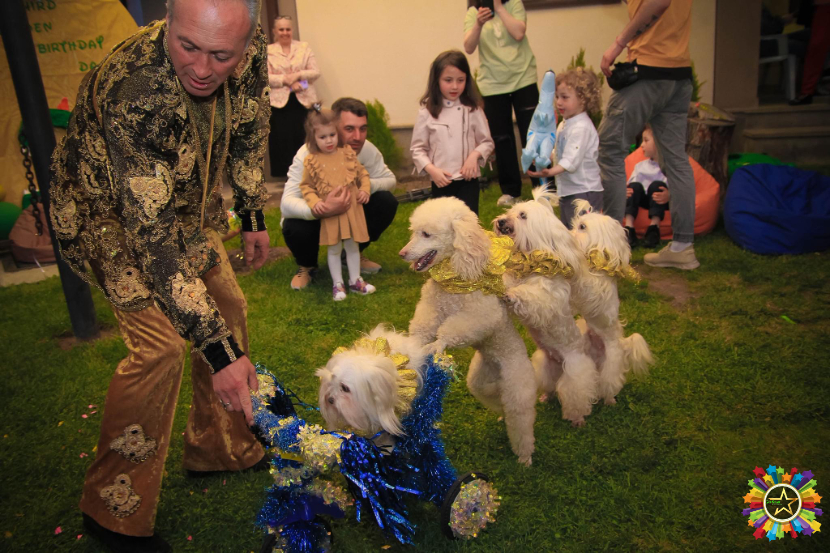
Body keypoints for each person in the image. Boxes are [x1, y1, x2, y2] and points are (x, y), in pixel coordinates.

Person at [48, 0, 271, 549]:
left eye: (220, 55)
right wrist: (217, 354)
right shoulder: (136, 91)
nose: (200, 67)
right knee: (163, 349)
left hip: (183, 203)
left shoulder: (253, 48)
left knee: (228, 309)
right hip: (107, 218)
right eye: (186, 45)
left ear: (245, 44)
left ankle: (218, 448)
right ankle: (111, 512)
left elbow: (250, 124)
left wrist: (252, 213)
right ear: (167, 22)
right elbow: (150, 240)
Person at [598, 0, 700, 270]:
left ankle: (609, 250)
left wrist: (618, 44)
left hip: (648, 72)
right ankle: (682, 248)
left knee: (609, 150)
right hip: (678, 75)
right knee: (676, 159)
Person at [280, 98, 397, 290]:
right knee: (294, 224)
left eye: (363, 128)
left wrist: (362, 189)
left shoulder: (364, 149)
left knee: (386, 201)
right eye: (349, 129)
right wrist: (320, 209)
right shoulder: (307, 156)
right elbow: (287, 202)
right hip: (316, 215)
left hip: (350, 212)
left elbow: (390, 179)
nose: (358, 137)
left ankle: (353, 254)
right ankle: (307, 265)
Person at [464, 0, 539, 207]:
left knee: (532, 134)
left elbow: (518, 33)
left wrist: (498, 8)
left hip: (524, 78)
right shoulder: (473, 12)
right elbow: (469, 47)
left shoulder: (514, 4)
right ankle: (510, 190)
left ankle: (542, 185)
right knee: (501, 139)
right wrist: (478, 24)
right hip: (492, 85)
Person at [299, 107, 376, 300]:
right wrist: (315, 202)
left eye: (332, 135)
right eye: (323, 137)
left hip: (352, 211)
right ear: (313, 138)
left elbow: (363, 174)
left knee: (352, 246)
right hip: (331, 213)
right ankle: (338, 284)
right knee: (334, 248)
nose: (329, 140)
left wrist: (365, 189)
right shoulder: (312, 161)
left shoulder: (347, 154)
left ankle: (355, 280)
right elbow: (306, 186)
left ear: (338, 134)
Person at [410, 50, 494, 215]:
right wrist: (432, 170)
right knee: (442, 226)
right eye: (448, 80)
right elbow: (417, 149)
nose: (455, 86)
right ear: (437, 80)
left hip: (468, 181)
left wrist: (474, 156)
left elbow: (487, 142)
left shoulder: (473, 109)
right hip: (441, 182)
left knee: (468, 225)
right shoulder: (426, 111)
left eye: (460, 80)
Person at [527, 69, 602, 228]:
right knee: (570, 230)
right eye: (557, 97)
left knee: (584, 231)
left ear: (583, 100)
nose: (559, 102)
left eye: (565, 97)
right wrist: (545, 156)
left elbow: (571, 161)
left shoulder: (581, 127)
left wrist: (549, 172)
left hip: (584, 191)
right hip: (569, 190)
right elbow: (562, 153)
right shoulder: (565, 123)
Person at [267, 15, 320, 176]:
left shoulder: (304, 47)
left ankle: (310, 174)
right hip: (279, 104)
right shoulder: (268, 51)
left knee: (304, 137)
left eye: (288, 29)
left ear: (292, 30)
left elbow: (315, 72)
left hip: (304, 101)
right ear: (275, 31)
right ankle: (288, 177)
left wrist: (298, 77)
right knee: (283, 140)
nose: (285, 32)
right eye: (281, 29)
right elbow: (263, 77)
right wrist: (285, 80)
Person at [624, 125, 671, 248]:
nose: (641, 146)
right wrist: (625, 192)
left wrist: (670, 195)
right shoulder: (640, 166)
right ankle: (629, 228)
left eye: (646, 140)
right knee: (634, 186)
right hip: (643, 199)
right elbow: (631, 187)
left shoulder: (668, 166)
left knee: (657, 186)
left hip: (660, 200)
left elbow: (678, 188)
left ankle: (654, 227)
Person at [790, 0, 830, 105]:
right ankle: (807, 91)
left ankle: (808, 91)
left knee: (816, 47)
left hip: (824, 9)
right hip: (822, 10)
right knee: (816, 49)